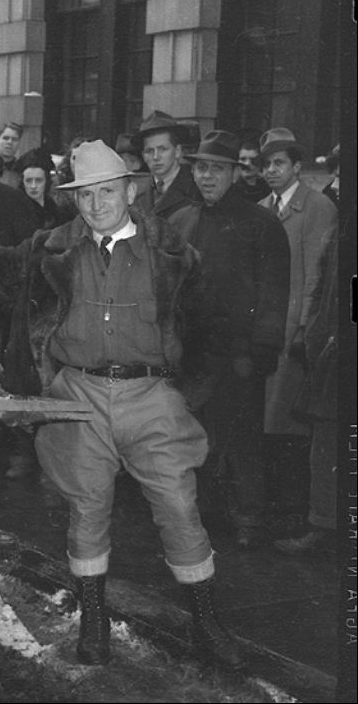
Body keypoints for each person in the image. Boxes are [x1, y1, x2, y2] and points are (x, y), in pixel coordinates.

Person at [0, 139, 245, 670]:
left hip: (153, 397)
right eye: (86, 195)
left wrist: (186, 395)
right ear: (74, 199)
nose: (97, 205)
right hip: (77, 396)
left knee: (179, 508)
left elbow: (214, 329)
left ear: (130, 192)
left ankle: (207, 624)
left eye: (107, 192)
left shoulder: (173, 255)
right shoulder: (50, 250)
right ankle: (94, 621)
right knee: (87, 510)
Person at [169, 131, 291, 550]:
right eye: (201, 168)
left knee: (242, 441)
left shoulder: (261, 224)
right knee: (194, 439)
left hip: (241, 357)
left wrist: (262, 350)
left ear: (235, 173)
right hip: (193, 356)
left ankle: (248, 519)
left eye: (217, 169)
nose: (207, 176)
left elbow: (274, 292)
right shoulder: (182, 221)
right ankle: (202, 516)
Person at [256, 127, 337, 508]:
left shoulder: (317, 207)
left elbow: (317, 276)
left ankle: (293, 504)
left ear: (297, 167)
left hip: (295, 332)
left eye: (279, 163)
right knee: (267, 420)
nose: (271, 170)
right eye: (266, 164)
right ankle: (277, 501)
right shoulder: (261, 207)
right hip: (267, 329)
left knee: (291, 420)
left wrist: (305, 329)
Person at [274, 232, 338, 557]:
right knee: (326, 447)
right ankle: (324, 525)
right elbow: (322, 285)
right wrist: (316, 332)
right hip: (336, 353)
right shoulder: (345, 229)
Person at [131, 110, 202, 218]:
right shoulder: (136, 194)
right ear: (144, 156)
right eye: (149, 151)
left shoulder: (197, 188)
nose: (156, 157)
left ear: (177, 151)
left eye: (163, 149)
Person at [232, 137, 271, 204]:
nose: (247, 164)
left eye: (253, 160)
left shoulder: (269, 189)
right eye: (243, 159)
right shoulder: (230, 190)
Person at [0, 122, 24, 188]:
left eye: (14, 139)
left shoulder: (21, 169)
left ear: (19, 143)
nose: (9, 142)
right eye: (6, 138)